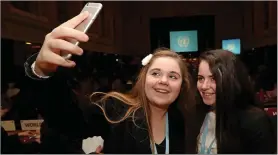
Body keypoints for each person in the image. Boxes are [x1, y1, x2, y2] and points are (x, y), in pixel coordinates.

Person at [23, 12, 195, 154]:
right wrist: (42, 70)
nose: (163, 81)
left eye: (173, 76)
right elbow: (65, 121)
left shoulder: (180, 119)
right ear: (143, 79)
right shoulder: (116, 110)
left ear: (182, 85)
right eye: (156, 73)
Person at [187, 50, 275, 154]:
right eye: (200, 78)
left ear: (230, 80)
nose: (204, 86)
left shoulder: (254, 121)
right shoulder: (197, 112)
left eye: (214, 79)